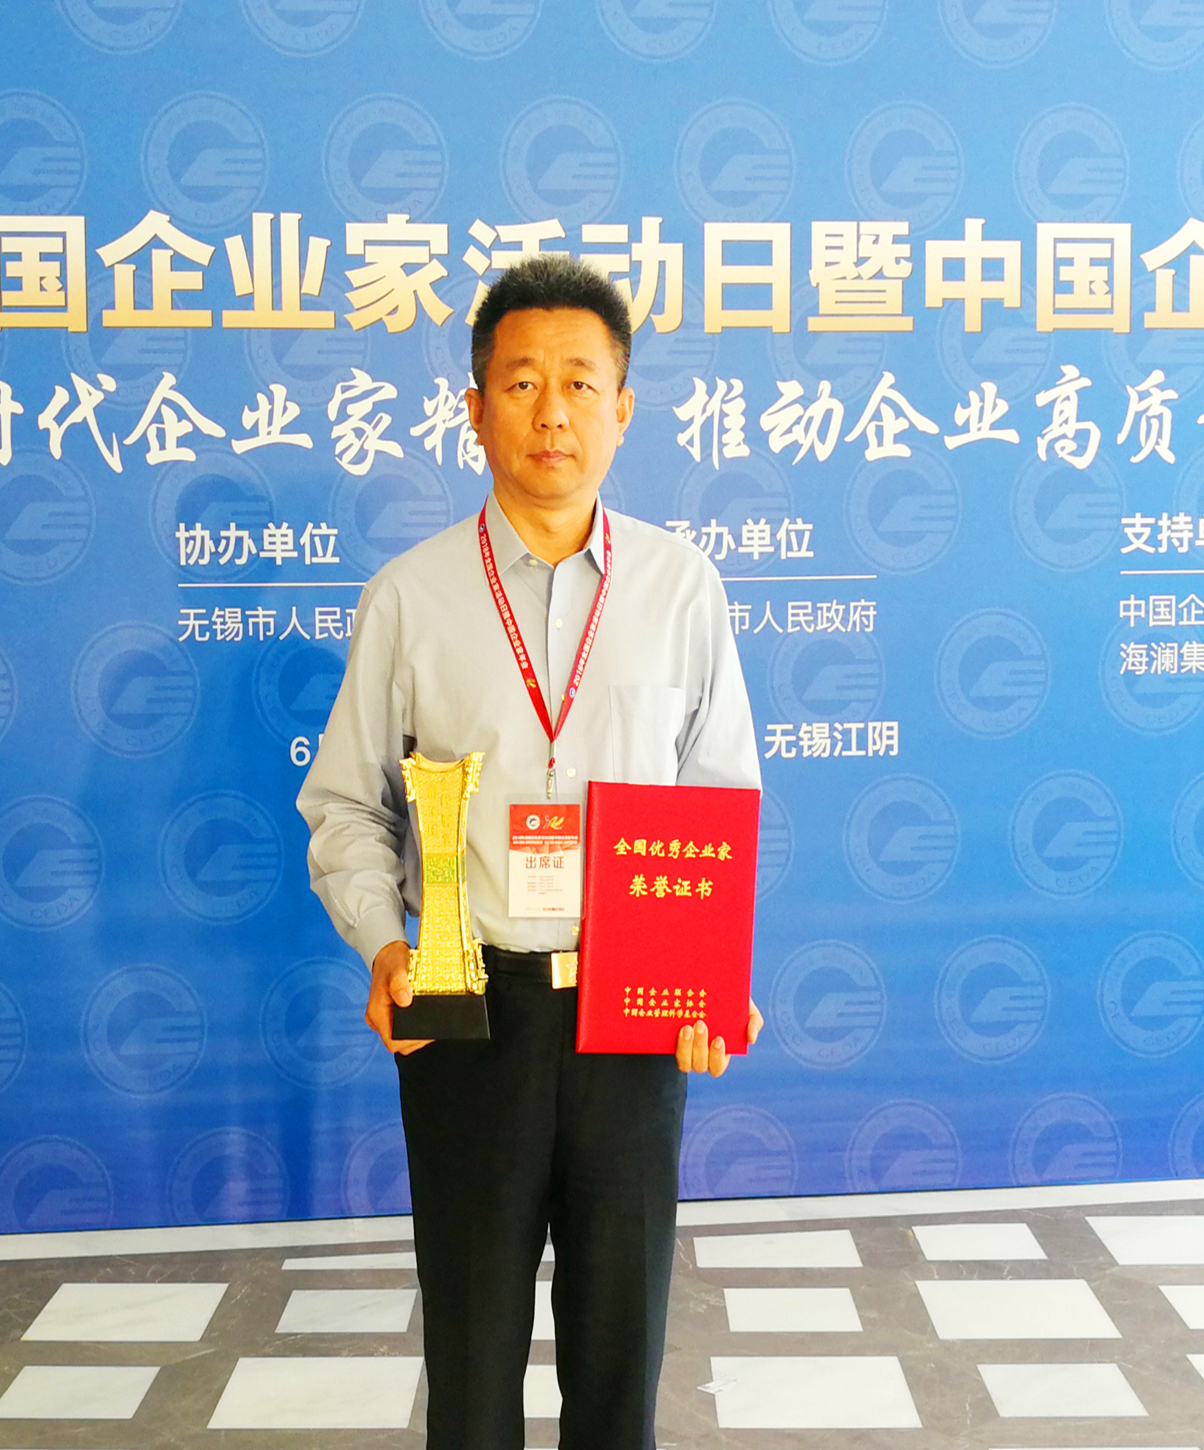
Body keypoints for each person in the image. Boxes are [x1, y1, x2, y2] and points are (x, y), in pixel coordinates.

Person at [296, 253, 764, 1450]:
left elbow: (719, 799)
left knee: (619, 1365)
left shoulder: (681, 588)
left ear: (623, 408)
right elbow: (345, 804)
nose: (551, 411)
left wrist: (709, 976)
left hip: (631, 1023)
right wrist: (387, 945)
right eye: (519, 383)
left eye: (579, 382)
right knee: (471, 1367)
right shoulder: (410, 597)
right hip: (469, 1018)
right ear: (474, 408)